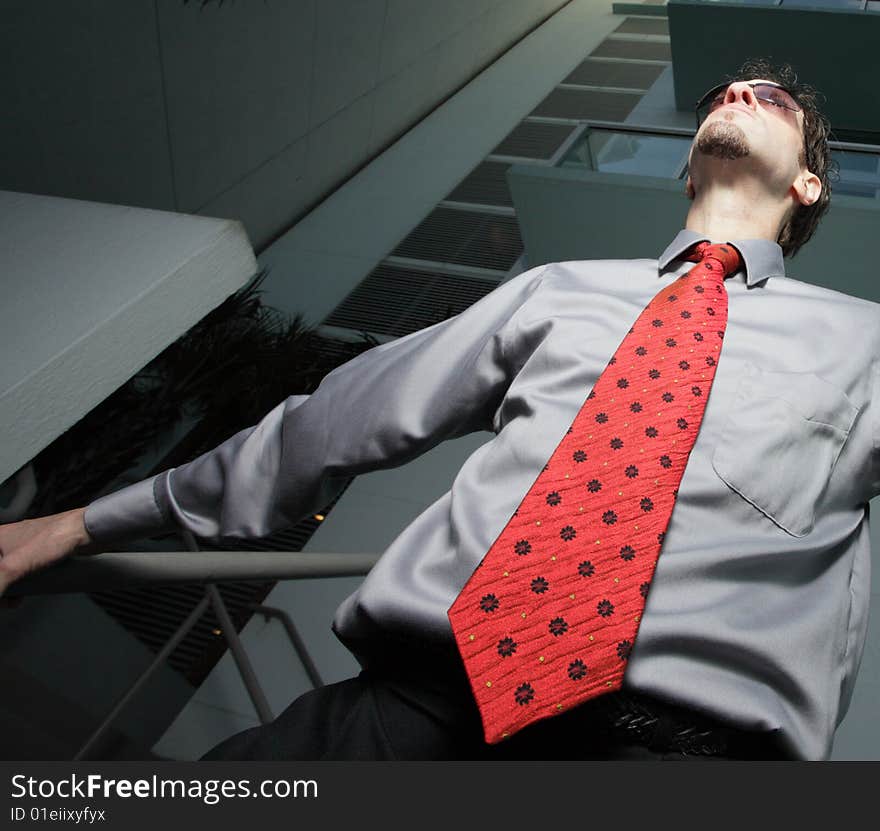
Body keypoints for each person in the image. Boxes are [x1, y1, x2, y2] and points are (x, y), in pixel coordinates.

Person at [1, 58, 877, 761]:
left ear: (806, 184)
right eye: (727, 92)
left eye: (768, 99)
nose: (734, 93)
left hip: (683, 751)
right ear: (687, 166)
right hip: (407, 712)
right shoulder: (556, 290)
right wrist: (85, 521)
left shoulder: (862, 341)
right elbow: (335, 419)